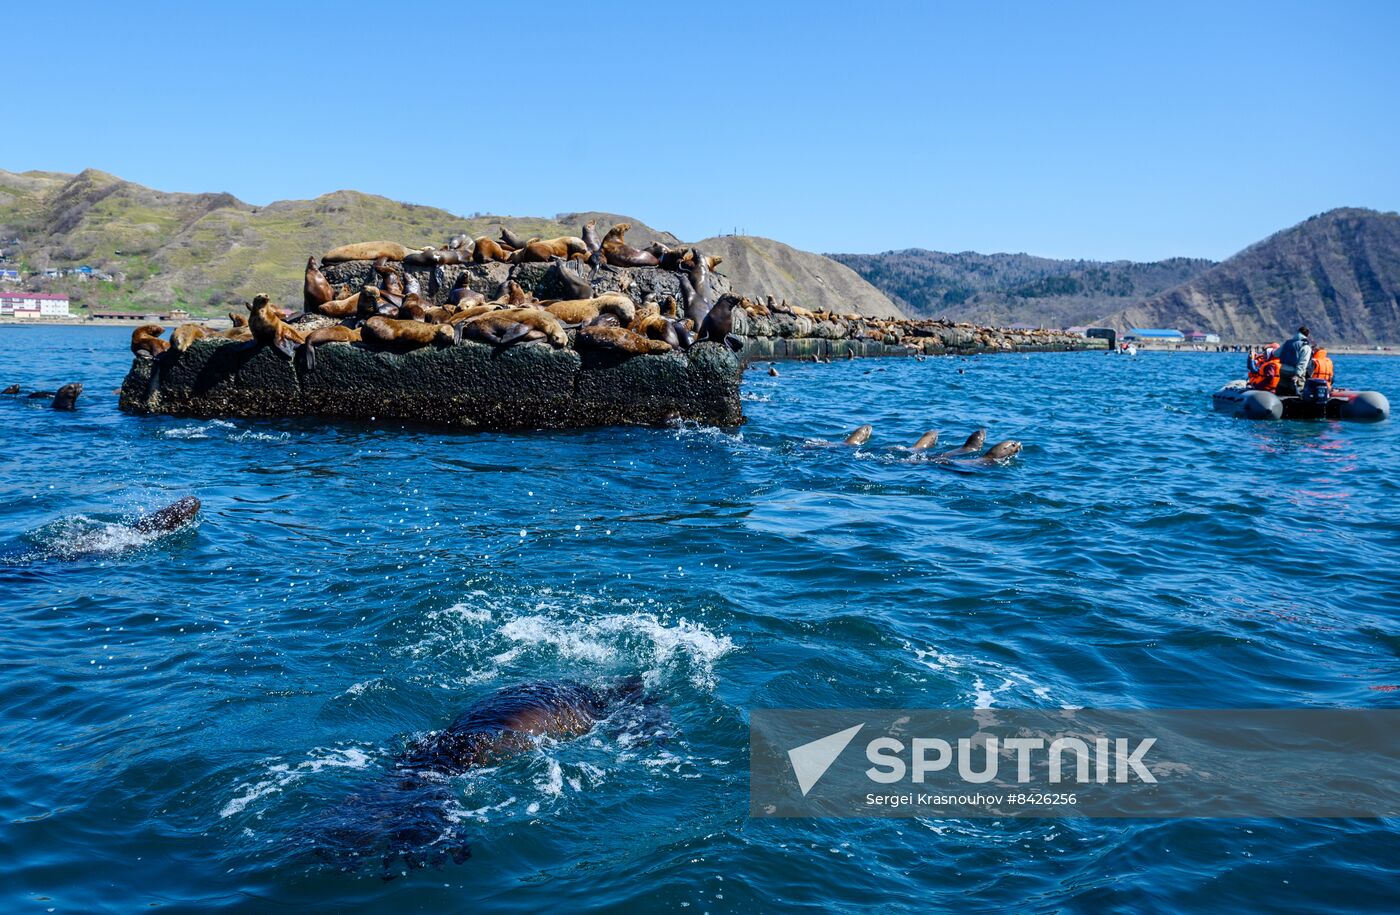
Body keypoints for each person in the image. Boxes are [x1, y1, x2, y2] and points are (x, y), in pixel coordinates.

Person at [1272, 326, 1312, 396]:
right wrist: (1297, 375)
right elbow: (1303, 362)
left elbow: (1276, 354)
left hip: (1283, 370)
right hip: (1294, 372)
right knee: (1298, 393)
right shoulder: (1305, 346)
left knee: (1281, 390)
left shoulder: (1287, 343)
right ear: (1307, 335)